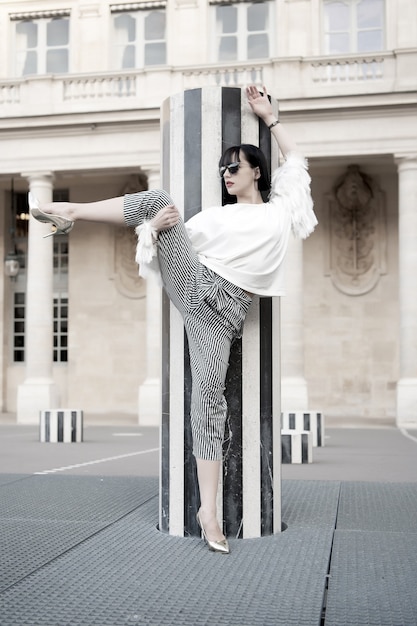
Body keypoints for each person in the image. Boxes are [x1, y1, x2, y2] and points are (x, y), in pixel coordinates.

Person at [30, 85, 317, 554]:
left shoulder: (281, 211)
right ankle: (71, 212)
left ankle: (208, 510)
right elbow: (171, 240)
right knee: (158, 202)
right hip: (195, 286)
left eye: (234, 167)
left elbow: (298, 165)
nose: (226, 174)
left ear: (256, 173)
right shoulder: (212, 219)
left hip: (224, 316)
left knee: (211, 402)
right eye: (222, 168)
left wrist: (271, 118)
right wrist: (155, 229)